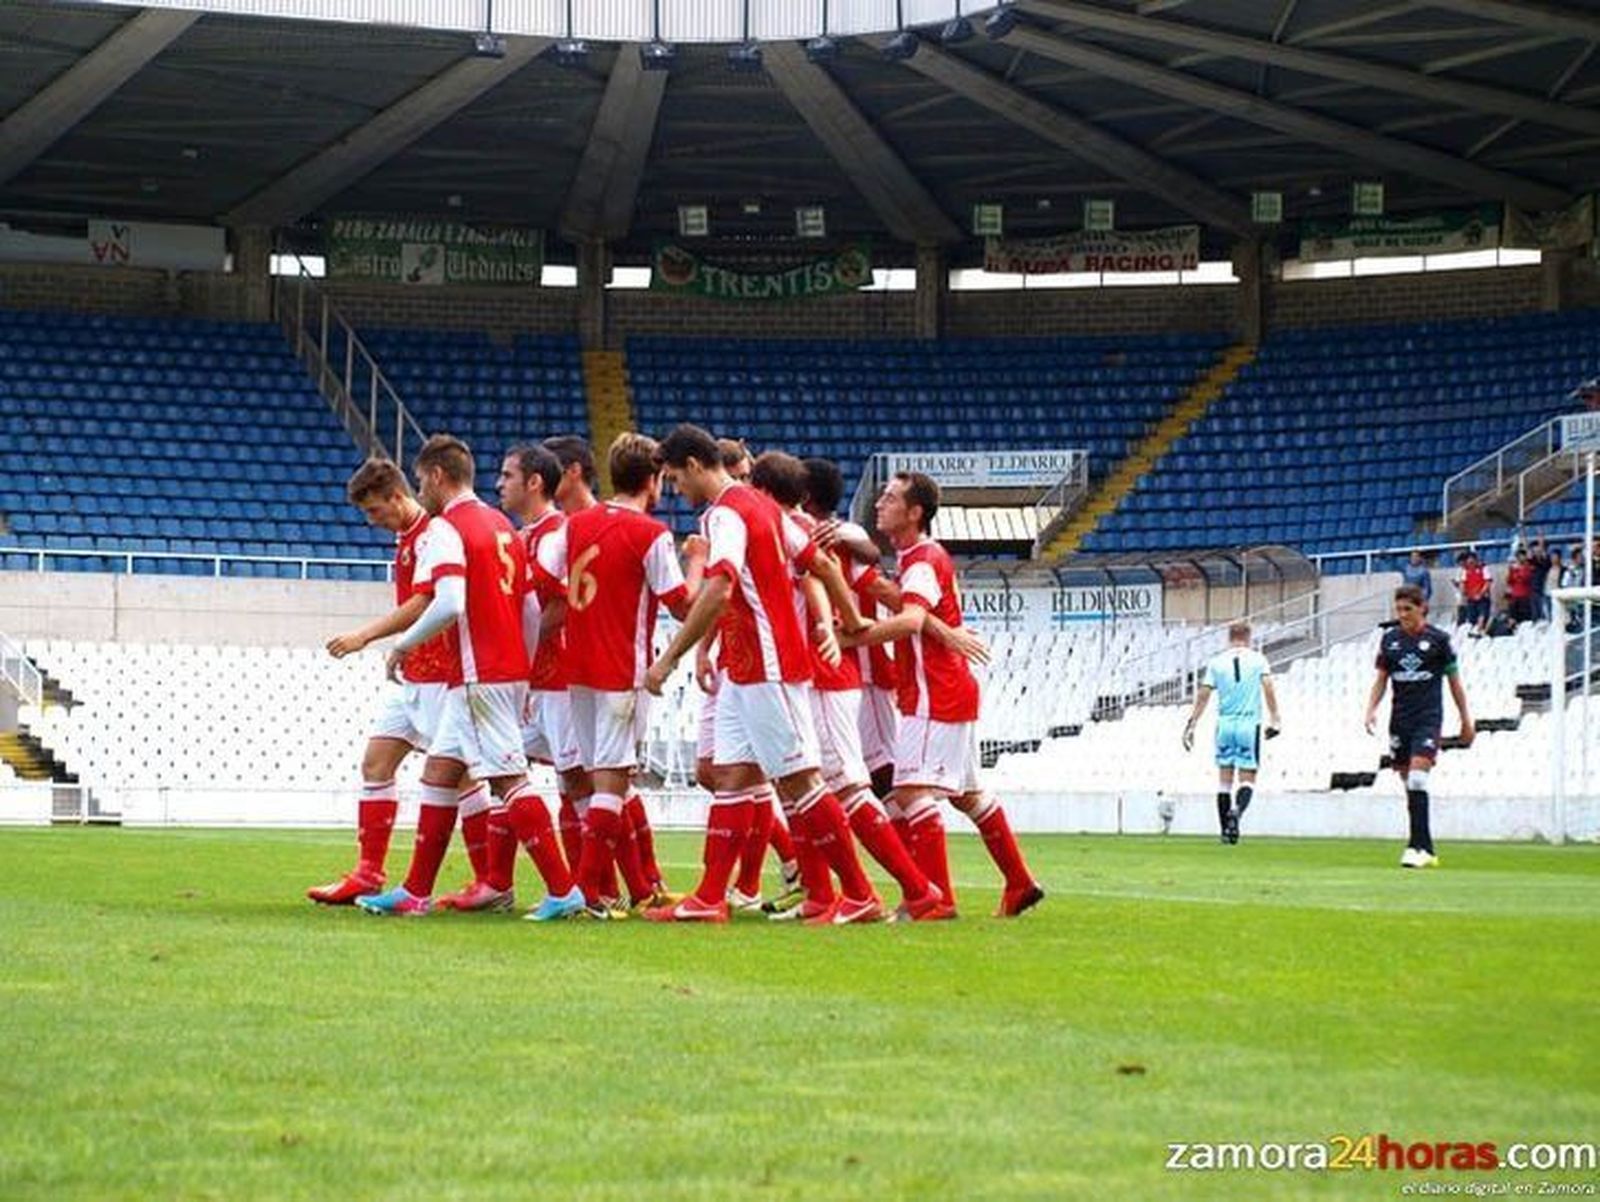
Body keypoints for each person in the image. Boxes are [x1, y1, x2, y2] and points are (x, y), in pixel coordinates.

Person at [644, 423, 891, 925]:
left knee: (801, 780)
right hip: (746, 667)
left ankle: (862, 895)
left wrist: (669, 657)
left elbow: (719, 589)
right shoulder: (760, 505)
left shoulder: (728, 515)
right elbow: (818, 561)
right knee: (731, 776)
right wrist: (849, 616)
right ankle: (712, 898)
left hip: (768, 665)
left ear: (694, 465)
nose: (676, 491)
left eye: (675, 479)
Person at [356, 435, 582, 919]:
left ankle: (564, 890)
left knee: (507, 780)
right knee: (439, 773)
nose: (421, 488)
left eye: (421, 480)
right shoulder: (503, 526)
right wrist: (523, 670)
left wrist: (403, 643)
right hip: (501, 671)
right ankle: (415, 891)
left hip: (479, 672)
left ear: (436, 476)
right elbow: (527, 606)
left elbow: (451, 602)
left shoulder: (446, 529)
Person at [751, 451, 949, 920]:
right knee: (803, 786)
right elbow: (860, 570)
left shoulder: (803, 531)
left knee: (847, 785)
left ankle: (917, 890)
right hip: (812, 672)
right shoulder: (801, 532)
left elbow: (846, 575)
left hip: (826, 671)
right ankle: (822, 895)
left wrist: (849, 624)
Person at [842, 472, 1044, 918]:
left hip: (935, 690)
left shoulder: (921, 560)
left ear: (914, 513)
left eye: (891, 499)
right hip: (945, 685)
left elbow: (913, 620)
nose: (880, 504)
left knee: (911, 792)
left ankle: (936, 899)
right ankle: (1020, 882)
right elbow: (922, 615)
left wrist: (853, 638)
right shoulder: (921, 557)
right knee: (968, 795)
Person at [533, 432, 701, 918]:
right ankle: (587, 894)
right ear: (653, 481)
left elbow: (543, 577)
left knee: (598, 780)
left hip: (576, 667)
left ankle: (620, 888)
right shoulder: (652, 535)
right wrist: (698, 562)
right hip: (622, 671)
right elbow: (682, 603)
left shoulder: (573, 525)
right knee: (611, 783)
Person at [309, 458, 483, 904]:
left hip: (440, 675)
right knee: (376, 763)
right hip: (410, 674)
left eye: (374, 511)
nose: (373, 521)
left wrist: (367, 636)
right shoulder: (407, 538)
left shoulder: (433, 534)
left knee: (459, 779)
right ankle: (368, 873)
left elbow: (428, 601)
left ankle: (490, 879)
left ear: (397, 497)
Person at [1364, 584, 1475, 869]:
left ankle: (1416, 847)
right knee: (1408, 783)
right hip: (1399, 720)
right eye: (1398, 609)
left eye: (1408, 609)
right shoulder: (1390, 641)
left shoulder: (1438, 640)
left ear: (1422, 607)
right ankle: (1425, 847)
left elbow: (1455, 683)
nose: (1402, 615)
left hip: (1428, 719)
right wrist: (1370, 709)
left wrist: (1466, 720)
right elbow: (1381, 680)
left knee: (1417, 779)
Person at [1181, 622, 1282, 844]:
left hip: (1224, 725)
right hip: (1248, 723)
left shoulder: (1217, 662)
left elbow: (1204, 693)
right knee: (1247, 778)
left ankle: (1225, 832)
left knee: (1224, 780)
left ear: (1229, 638)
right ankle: (1236, 812)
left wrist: (1192, 723)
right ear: (1248, 637)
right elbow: (1268, 686)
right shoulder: (1258, 660)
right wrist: (1275, 718)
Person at [1456, 551, 1492, 635]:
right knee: (1471, 616)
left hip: (1482, 597)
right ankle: (1473, 629)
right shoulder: (1465, 571)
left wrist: (1481, 593)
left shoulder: (1484, 568)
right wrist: (1463, 594)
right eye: (1469, 562)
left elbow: (1488, 582)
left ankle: (1479, 630)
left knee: (1482, 613)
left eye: (1472, 561)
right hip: (1471, 597)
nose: (1470, 564)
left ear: (1476, 560)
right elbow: (1463, 583)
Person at [1506, 546, 1535, 625]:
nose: (1521, 558)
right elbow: (1509, 581)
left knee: (1525, 617)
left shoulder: (1528, 567)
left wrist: (1518, 572)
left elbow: (1526, 578)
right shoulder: (1513, 569)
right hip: (1515, 596)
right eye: (1519, 557)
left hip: (1525, 595)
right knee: (1513, 616)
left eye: (1523, 556)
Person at [1529, 537, 1554, 622]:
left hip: (1543, 590)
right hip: (1533, 590)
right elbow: (1528, 552)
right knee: (1535, 613)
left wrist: (1541, 544)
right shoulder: (1533, 561)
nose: (1536, 551)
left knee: (1545, 612)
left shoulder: (1546, 561)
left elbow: (1545, 559)